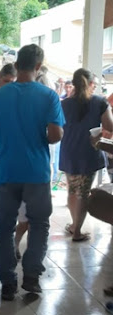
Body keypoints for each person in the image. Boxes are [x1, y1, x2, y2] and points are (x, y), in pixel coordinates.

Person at [0, 44, 65, 301]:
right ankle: (31, 277)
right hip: (36, 172)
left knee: (4, 226)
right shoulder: (48, 96)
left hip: (5, 170)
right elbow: (55, 135)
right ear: (38, 67)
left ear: (16, 66)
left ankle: (7, 282)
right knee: (39, 223)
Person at [60, 68, 113, 241]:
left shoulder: (64, 104)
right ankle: (77, 231)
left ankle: (74, 225)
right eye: (95, 85)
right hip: (89, 151)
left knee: (72, 189)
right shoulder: (99, 102)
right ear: (90, 84)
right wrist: (98, 132)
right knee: (83, 192)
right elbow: (110, 125)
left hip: (68, 150)